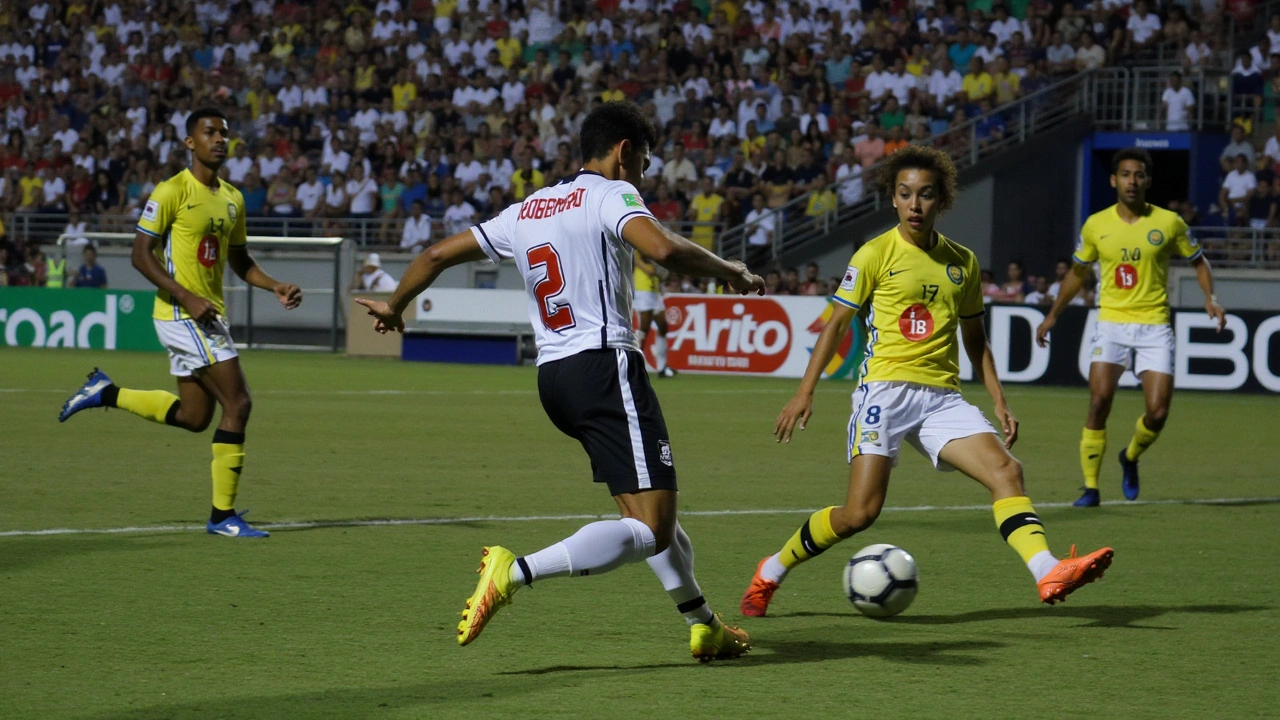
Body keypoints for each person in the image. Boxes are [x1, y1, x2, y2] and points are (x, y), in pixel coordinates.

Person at [355, 102, 763, 661]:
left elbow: (434, 254)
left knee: (644, 516)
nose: (641, 176)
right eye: (642, 163)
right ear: (623, 153)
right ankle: (514, 572)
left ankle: (704, 624)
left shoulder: (527, 208)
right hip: (604, 365)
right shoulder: (610, 194)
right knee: (654, 529)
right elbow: (663, 249)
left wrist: (397, 306)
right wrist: (730, 270)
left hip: (555, 378)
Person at [740, 145, 1113, 618]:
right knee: (860, 514)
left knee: (1007, 472)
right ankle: (771, 569)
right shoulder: (874, 253)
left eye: (926, 195)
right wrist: (804, 392)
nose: (915, 205)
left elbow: (976, 339)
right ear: (892, 200)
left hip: (941, 398)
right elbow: (834, 325)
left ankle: (1047, 570)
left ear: (942, 200)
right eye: (905, 194)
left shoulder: (963, 262)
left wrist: (1000, 400)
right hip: (885, 392)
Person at [58, 107, 302, 539]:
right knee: (239, 404)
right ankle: (221, 516)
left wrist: (275, 285)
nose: (219, 139)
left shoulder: (232, 198)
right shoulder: (172, 191)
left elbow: (240, 261)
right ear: (190, 143)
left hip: (204, 314)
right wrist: (186, 296)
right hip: (179, 312)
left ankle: (105, 392)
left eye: (224, 133)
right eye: (209, 132)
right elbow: (140, 254)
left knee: (193, 417)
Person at [1035, 148, 1225, 508]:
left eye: (1138, 175)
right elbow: (1077, 273)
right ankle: (1090, 488)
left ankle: (1131, 456)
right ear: (1113, 180)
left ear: (1148, 181)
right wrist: (1052, 315)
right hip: (1111, 322)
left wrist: (1210, 297)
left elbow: (1199, 262)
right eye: (1125, 174)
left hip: (1154, 324)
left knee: (1158, 412)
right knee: (1098, 401)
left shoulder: (1169, 223)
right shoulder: (1096, 225)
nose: (1132, 181)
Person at [634, 251, 676, 377]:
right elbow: (650, 271)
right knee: (644, 330)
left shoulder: (650, 255)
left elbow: (663, 275)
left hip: (655, 292)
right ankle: (635, 364)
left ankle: (662, 367)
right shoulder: (636, 253)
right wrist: (657, 267)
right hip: (643, 291)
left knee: (663, 326)